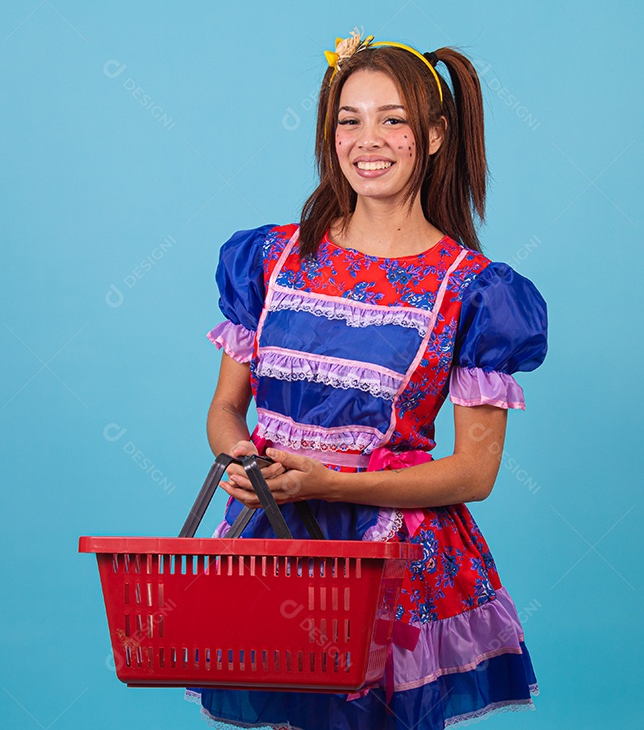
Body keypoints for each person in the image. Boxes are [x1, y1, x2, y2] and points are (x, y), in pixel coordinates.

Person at [187, 29, 548, 730]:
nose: (367, 140)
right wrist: (243, 460)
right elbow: (225, 411)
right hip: (274, 535)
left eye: (393, 120)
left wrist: (329, 484)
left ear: (437, 136)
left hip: (388, 556)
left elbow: (474, 473)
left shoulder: (472, 291)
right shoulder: (269, 259)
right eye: (349, 120)